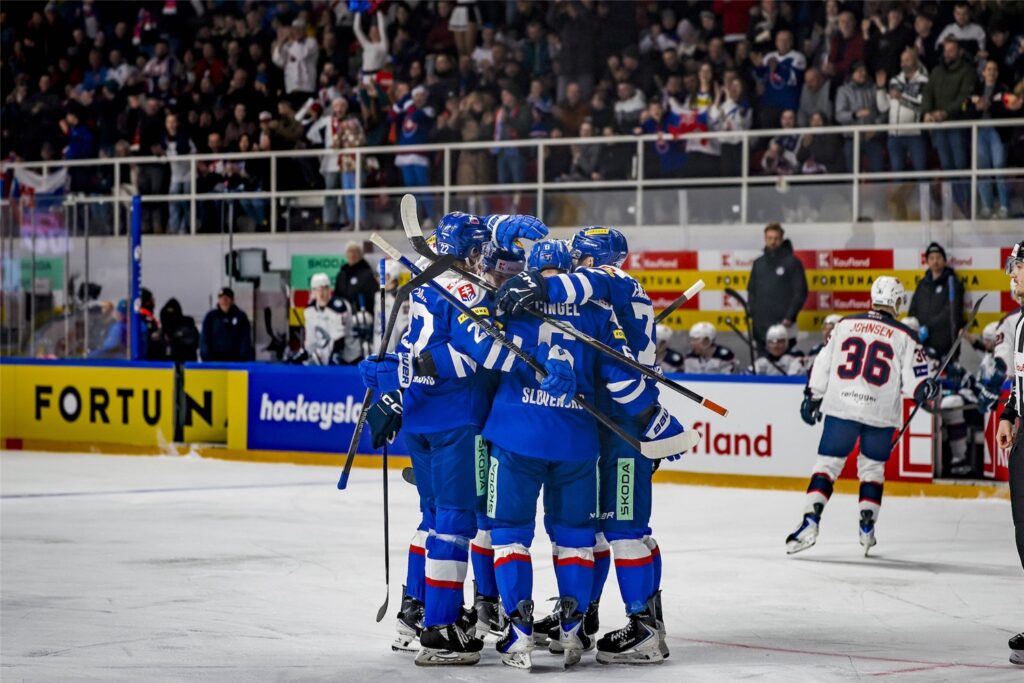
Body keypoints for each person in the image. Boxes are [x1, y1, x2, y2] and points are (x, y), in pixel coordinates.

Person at [357, 212, 551, 663]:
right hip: (455, 419)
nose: (486, 257)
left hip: (421, 417)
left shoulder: (427, 283)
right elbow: (483, 353)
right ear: (471, 251)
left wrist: (396, 391)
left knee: (433, 518)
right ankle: (441, 630)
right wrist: (535, 356)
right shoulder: (463, 287)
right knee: (457, 523)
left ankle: (415, 613)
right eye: (481, 249)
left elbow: (412, 350)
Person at [487, 238, 686, 669]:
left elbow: (616, 374)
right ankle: (581, 618)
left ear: (596, 260)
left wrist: (647, 413)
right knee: (591, 532)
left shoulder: (609, 283)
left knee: (625, 530)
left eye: (583, 258)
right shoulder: (602, 306)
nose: (578, 265)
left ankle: (644, 628)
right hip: (593, 428)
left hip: (618, 429)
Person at [788, 277, 937, 555]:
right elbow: (917, 383)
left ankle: (810, 521)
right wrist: (924, 390)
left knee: (827, 466)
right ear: (896, 301)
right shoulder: (906, 335)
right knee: (872, 470)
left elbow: (823, 363)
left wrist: (813, 395)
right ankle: (867, 526)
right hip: (880, 413)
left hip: (842, 408)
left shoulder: (844, 324)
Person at [992, 241, 1024, 665]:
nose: (1012, 276)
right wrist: (1009, 414)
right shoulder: (1018, 324)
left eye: (1017, 269)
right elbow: (1020, 382)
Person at [747, 223, 808, 350]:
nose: (772, 242)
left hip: (783, 325)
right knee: (762, 364)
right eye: (769, 238)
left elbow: (801, 291)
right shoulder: (758, 263)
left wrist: (789, 317)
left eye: (776, 238)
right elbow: (752, 290)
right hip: (761, 326)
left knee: (785, 363)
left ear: (781, 239)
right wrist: (752, 312)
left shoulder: (792, 262)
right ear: (765, 239)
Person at [908, 242, 964, 360]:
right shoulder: (922, 284)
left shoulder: (952, 283)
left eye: (938, 257)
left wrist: (928, 327)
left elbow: (951, 311)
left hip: (945, 346)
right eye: (931, 258)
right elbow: (913, 309)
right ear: (927, 262)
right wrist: (914, 328)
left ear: (944, 260)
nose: (935, 261)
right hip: (922, 344)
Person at [878, 48, 929, 173]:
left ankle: (924, 193)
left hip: (915, 134)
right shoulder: (894, 80)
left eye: (907, 60)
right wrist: (880, 89)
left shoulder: (923, 80)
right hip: (894, 135)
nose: (904, 63)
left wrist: (901, 97)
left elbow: (921, 106)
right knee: (897, 173)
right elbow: (883, 107)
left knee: (921, 170)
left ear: (916, 61)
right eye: (902, 60)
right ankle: (901, 194)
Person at [334, 242, 377, 359]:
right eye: (350, 251)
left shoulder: (366, 274)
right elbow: (336, 297)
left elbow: (374, 299)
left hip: (362, 322)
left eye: (355, 251)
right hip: (343, 320)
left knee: (360, 352)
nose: (352, 254)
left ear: (360, 254)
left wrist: (369, 316)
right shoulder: (342, 274)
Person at [303, 272, 350, 365]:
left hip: (342, 356)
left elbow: (339, 338)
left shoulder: (338, 307)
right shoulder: (309, 310)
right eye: (316, 290)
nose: (320, 293)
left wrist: (335, 355)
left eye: (324, 289)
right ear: (312, 292)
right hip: (319, 356)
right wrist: (306, 352)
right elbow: (310, 338)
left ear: (329, 290)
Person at [199, 287, 254, 362]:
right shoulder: (211, 317)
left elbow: (245, 339)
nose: (224, 301)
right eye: (221, 298)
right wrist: (206, 358)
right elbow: (204, 338)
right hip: (215, 363)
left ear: (232, 300)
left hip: (236, 363)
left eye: (226, 298)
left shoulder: (241, 317)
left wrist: (243, 358)